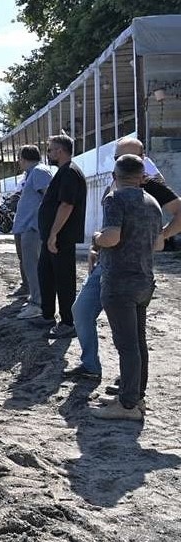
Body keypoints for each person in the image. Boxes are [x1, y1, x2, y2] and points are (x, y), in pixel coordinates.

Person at [64, 137, 181, 380]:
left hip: (129, 271)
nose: (122, 162)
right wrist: (97, 250)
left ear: (143, 159)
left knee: (130, 338)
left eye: (130, 157)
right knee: (83, 312)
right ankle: (92, 366)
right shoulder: (115, 184)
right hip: (108, 264)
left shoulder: (151, 185)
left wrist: (163, 236)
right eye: (118, 158)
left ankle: (129, 389)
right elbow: (110, 226)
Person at [89, 154, 164, 420]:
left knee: (127, 345)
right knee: (138, 343)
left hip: (120, 281)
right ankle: (136, 397)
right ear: (141, 176)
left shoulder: (115, 198)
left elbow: (111, 237)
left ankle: (127, 404)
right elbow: (159, 244)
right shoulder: (152, 202)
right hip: (144, 280)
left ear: (115, 176)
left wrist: (96, 239)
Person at [32, 133, 86, 339]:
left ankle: (68, 322)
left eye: (50, 149)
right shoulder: (62, 172)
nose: (48, 153)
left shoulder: (70, 173)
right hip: (51, 237)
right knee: (46, 274)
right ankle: (47, 316)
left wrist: (54, 234)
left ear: (60, 151)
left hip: (61, 238)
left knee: (64, 280)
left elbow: (66, 205)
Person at [12, 145, 53, 319]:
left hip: (33, 228)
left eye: (19, 158)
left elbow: (49, 198)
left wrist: (39, 224)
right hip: (29, 227)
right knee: (31, 266)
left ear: (23, 158)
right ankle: (35, 300)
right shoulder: (32, 173)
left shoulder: (38, 172)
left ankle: (38, 304)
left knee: (33, 267)